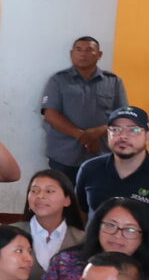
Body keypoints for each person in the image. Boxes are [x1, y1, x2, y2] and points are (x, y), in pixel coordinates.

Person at [38, 36, 128, 181]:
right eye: (78, 50)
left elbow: (123, 117)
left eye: (89, 50)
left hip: (102, 153)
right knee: (65, 193)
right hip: (64, 155)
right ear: (71, 54)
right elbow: (51, 115)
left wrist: (98, 132)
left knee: (97, 194)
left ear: (99, 55)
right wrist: (83, 136)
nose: (83, 54)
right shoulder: (58, 80)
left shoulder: (113, 82)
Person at [72, 107, 149, 215]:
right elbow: (80, 212)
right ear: (108, 134)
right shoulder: (89, 169)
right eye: (115, 129)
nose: (123, 136)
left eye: (133, 130)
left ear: (148, 136)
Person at [22, 170, 86, 280]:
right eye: (34, 191)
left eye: (49, 191)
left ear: (67, 200)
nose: (40, 196)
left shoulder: (82, 240)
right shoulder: (12, 233)